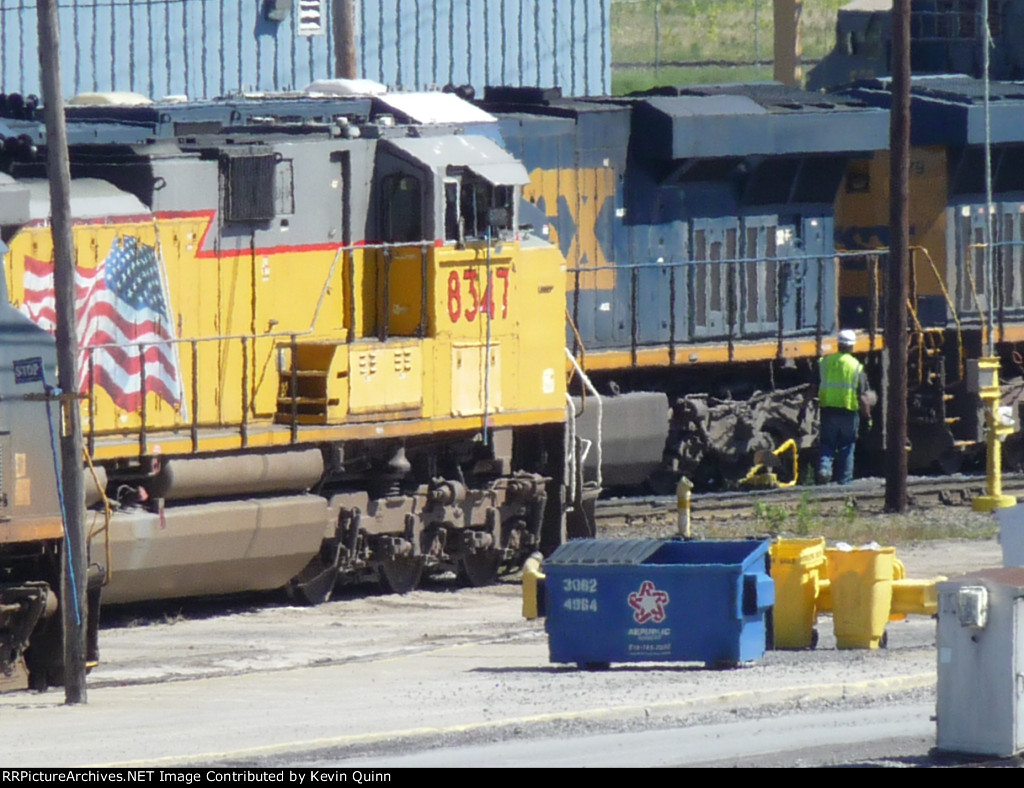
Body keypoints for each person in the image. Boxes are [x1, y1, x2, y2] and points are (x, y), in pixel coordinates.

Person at [817, 329, 874, 485]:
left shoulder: (824, 362)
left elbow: (812, 386)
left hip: (828, 410)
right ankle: (845, 481)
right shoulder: (856, 367)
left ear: (838, 344)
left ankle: (824, 469)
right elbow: (863, 397)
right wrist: (867, 417)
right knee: (847, 446)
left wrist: (803, 408)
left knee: (827, 443)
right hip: (848, 412)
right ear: (852, 346)